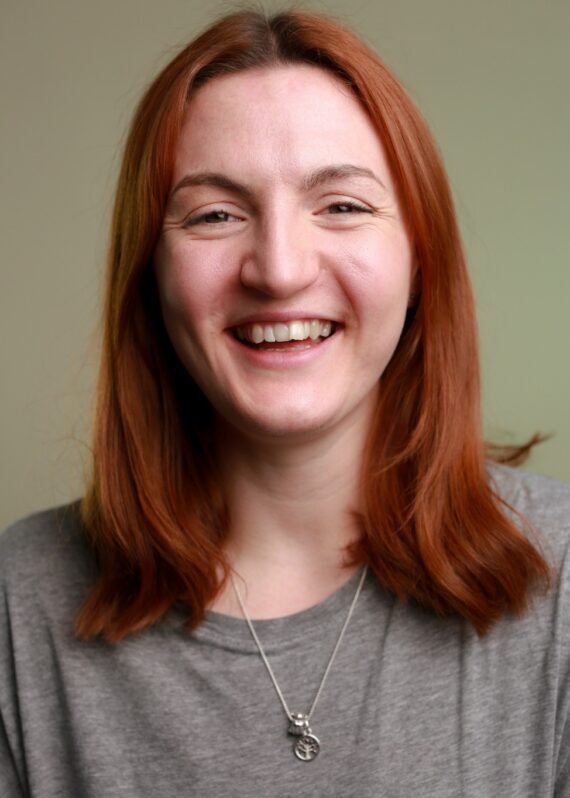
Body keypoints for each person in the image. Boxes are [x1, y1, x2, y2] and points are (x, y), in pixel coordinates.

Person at [1, 8, 568, 797]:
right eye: (215, 214)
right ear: (151, 279)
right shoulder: (15, 604)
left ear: (419, 263)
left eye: (341, 204)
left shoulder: (565, 578)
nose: (278, 268)